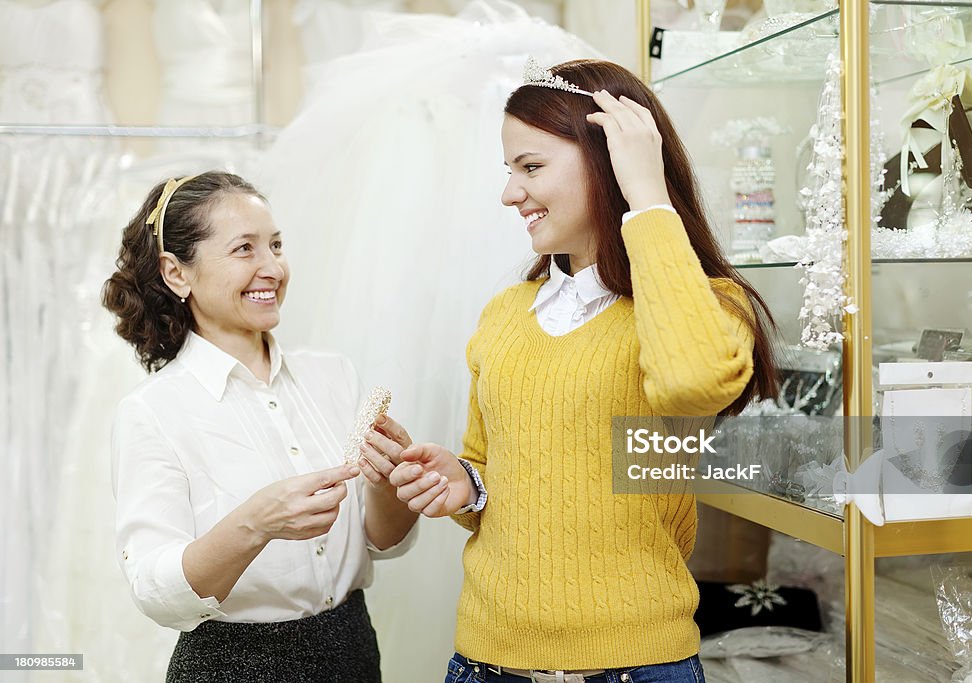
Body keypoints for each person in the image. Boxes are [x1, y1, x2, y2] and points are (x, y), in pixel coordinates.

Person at [386, 59, 779, 682]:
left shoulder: (710, 306)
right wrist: (466, 482)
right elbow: (490, 469)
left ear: (609, 161)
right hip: (486, 661)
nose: (510, 193)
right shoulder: (506, 313)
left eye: (531, 167)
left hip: (637, 665)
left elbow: (692, 383)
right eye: (509, 170)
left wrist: (647, 194)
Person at [101, 171, 419, 682]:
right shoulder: (153, 412)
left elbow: (384, 542)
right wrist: (256, 523)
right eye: (244, 249)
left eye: (276, 245)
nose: (273, 267)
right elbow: (155, 592)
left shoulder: (335, 375)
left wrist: (390, 486)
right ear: (176, 273)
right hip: (233, 666)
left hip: (354, 649)